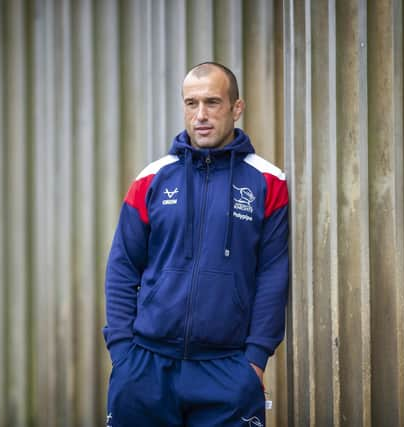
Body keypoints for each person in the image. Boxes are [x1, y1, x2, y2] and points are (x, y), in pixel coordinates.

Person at [103, 61, 289, 427]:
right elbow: (123, 266)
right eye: (191, 103)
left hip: (227, 371)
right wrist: (123, 351)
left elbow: (273, 274)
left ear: (237, 108)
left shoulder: (268, 181)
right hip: (146, 367)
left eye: (212, 102)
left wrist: (254, 359)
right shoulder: (152, 179)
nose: (200, 115)